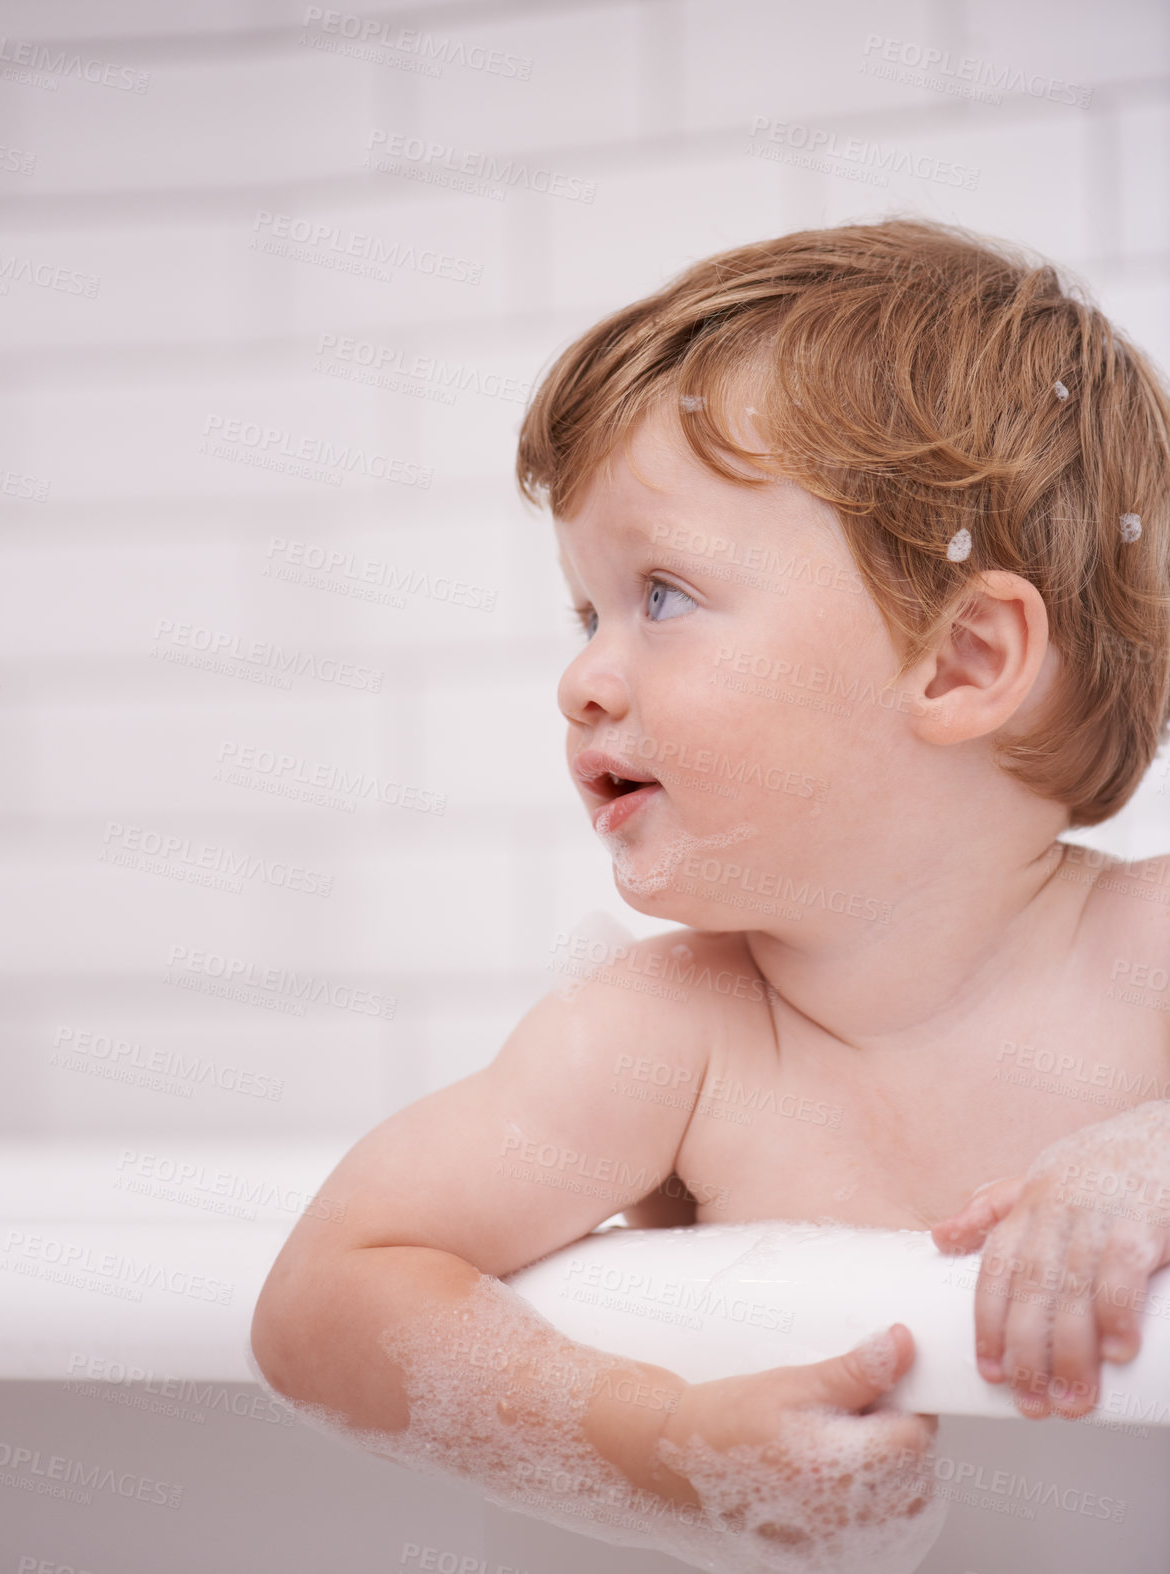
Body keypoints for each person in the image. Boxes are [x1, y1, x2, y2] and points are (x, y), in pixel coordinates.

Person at [250, 217, 1170, 1564]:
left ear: (962, 659)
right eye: (584, 615)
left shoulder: (1148, 951)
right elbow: (326, 1294)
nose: (582, 678)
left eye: (661, 596)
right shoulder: (669, 1037)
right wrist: (659, 1444)